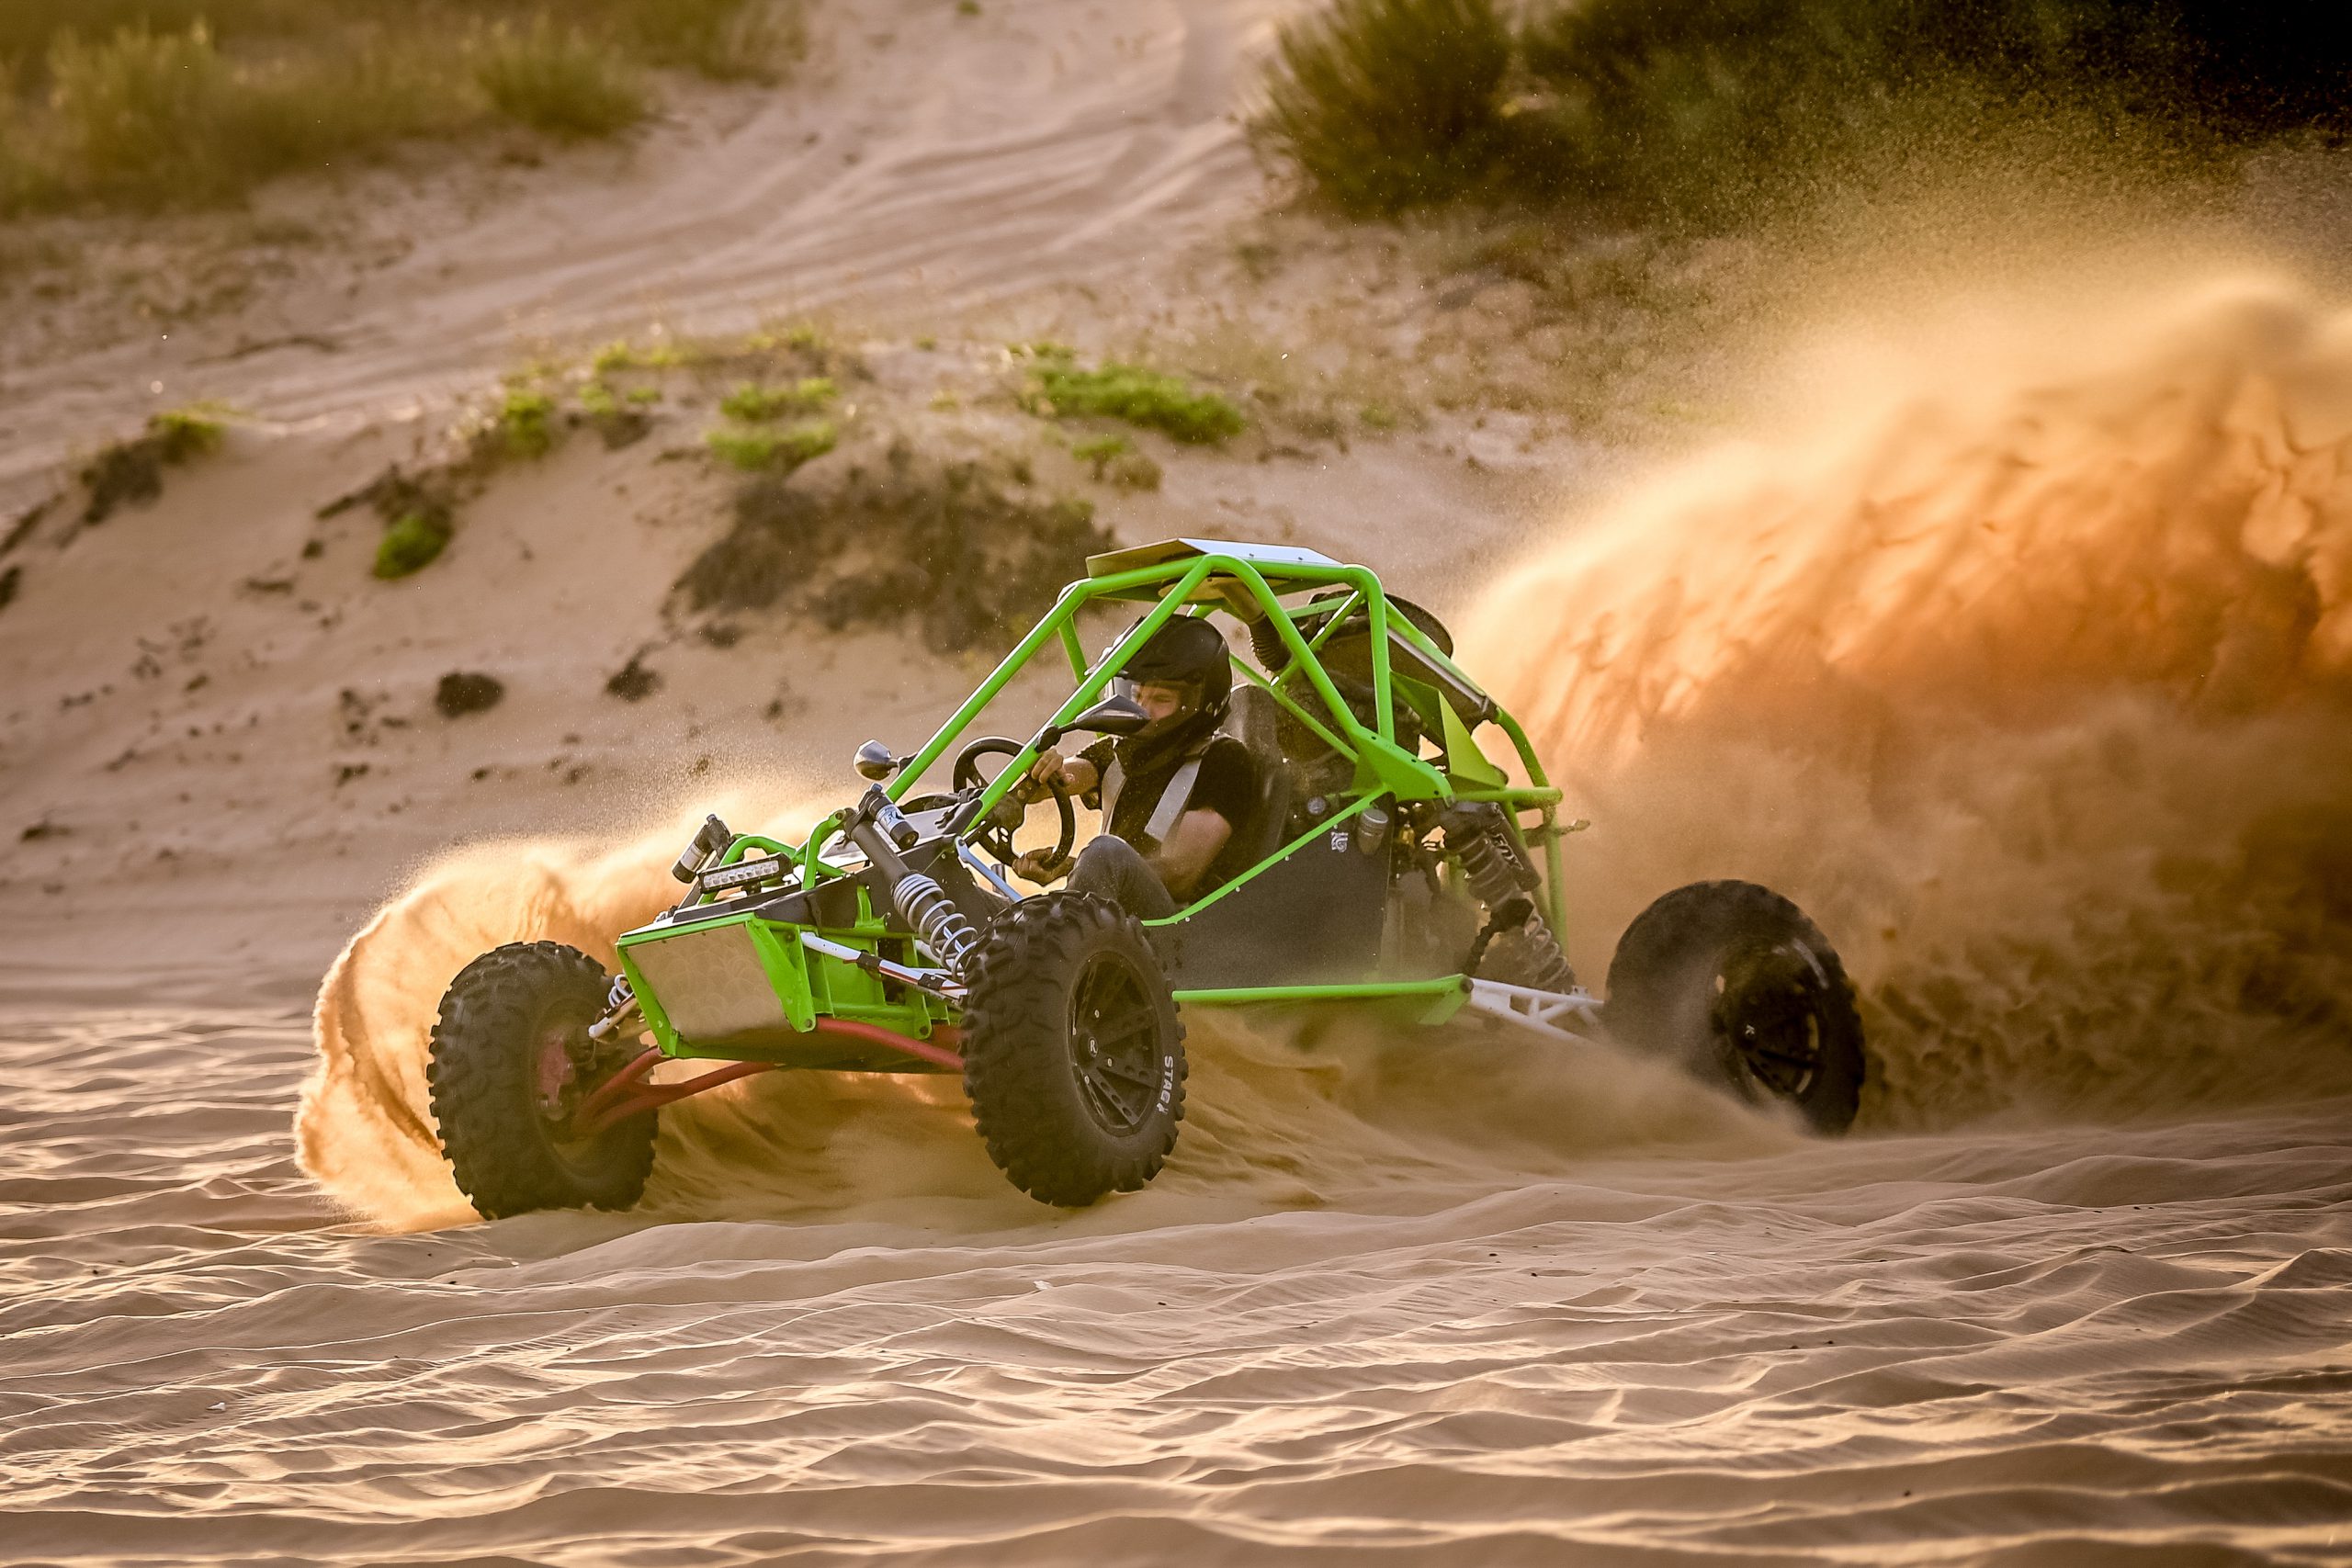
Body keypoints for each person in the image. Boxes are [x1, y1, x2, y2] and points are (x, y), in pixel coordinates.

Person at [1005, 616, 1258, 918]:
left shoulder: (1225, 761)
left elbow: (1181, 874)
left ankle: (1057, 937)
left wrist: (1092, 868)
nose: (1142, 710)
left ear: (1198, 703)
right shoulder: (1122, 750)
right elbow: (1066, 777)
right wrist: (1041, 771)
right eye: (1137, 695)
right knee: (965, 899)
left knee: (1104, 852)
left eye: (1161, 699)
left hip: (1176, 931)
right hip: (1111, 923)